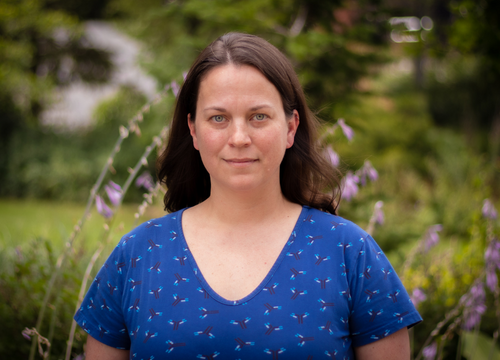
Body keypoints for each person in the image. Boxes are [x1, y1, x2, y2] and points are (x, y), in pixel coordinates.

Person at [75, 32, 422, 360]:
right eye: (218, 118)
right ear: (194, 130)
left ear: (290, 127)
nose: (239, 137)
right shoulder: (137, 255)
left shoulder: (351, 253)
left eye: (258, 116)